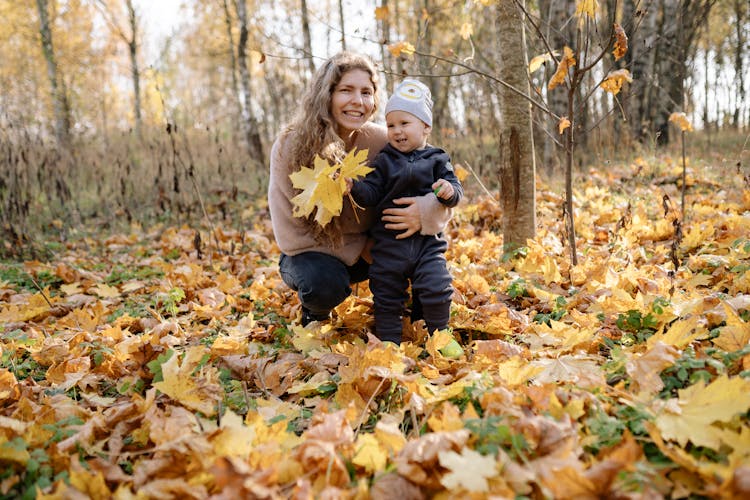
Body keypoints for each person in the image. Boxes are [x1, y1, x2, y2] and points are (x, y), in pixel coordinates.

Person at [267, 52, 452, 326]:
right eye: (346, 90)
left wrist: (425, 213)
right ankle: (315, 313)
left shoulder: (382, 139)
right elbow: (291, 235)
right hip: (312, 255)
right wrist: (364, 245)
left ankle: (421, 314)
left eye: (366, 92)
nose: (358, 101)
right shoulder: (291, 146)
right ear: (326, 95)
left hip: (376, 251)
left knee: (423, 253)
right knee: (324, 282)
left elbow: (437, 180)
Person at [347, 78, 463, 344]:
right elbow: (372, 192)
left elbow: (455, 190)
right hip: (389, 245)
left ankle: (440, 339)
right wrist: (354, 187)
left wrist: (448, 191)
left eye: (404, 123)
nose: (397, 131)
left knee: (437, 287)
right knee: (386, 295)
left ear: (425, 127)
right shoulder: (384, 160)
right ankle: (389, 343)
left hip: (427, 244)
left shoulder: (438, 159)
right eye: (391, 125)